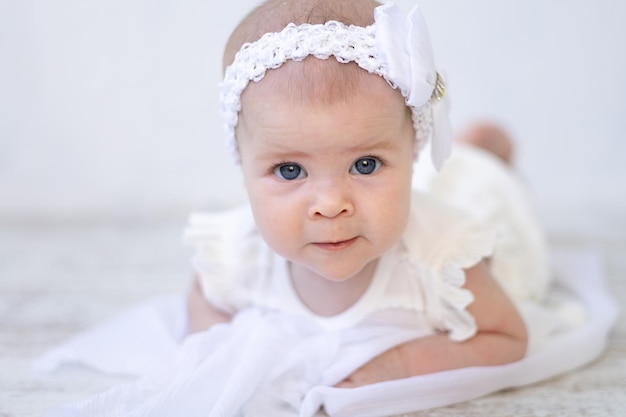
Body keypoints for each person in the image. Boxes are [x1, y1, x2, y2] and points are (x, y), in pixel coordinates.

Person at [184, 0, 550, 389]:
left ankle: (483, 151)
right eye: (290, 170)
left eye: (365, 165)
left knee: (478, 180)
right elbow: (203, 299)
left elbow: (508, 338)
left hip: (477, 206)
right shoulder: (241, 252)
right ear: (243, 164)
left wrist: (404, 366)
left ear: (413, 151)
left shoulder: (444, 259)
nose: (330, 205)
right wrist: (225, 350)